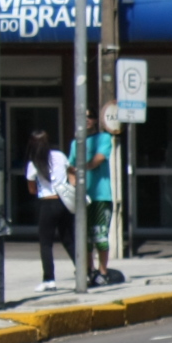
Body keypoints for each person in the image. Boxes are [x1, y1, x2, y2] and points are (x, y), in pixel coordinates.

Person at [67, 113, 115, 283]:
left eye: (90, 117)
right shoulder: (76, 143)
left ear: (95, 120)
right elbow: (70, 167)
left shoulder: (104, 138)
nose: (86, 119)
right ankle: (89, 270)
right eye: (83, 116)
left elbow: (98, 159)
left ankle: (103, 272)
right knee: (84, 237)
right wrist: (73, 184)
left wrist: (81, 168)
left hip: (101, 196)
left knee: (100, 236)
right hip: (83, 198)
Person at [24, 130, 72, 291]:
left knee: (46, 243)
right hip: (63, 202)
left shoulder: (33, 163)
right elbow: (71, 172)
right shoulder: (60, 156)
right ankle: (85, 272)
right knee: (68, 240)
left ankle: (49, 280)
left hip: (47, 202)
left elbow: (31, 189)